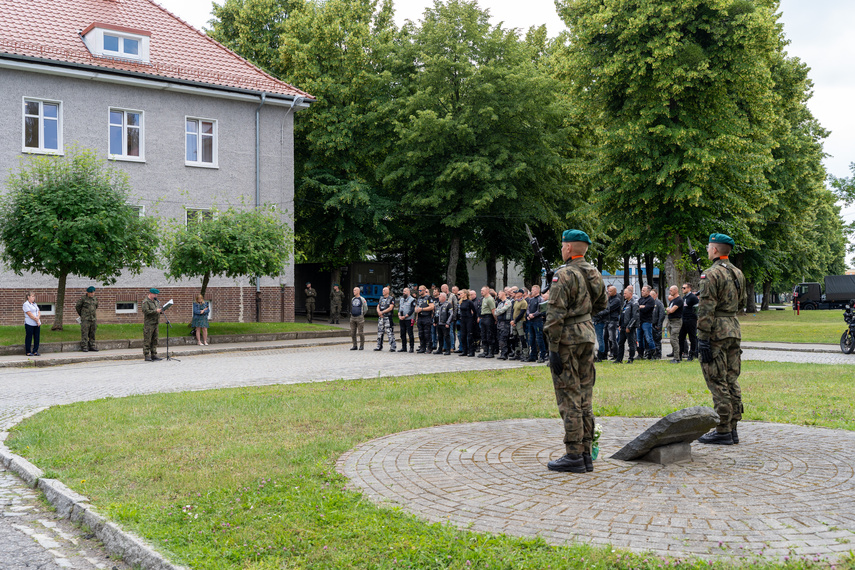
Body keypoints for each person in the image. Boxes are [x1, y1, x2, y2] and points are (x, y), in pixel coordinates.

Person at [544, 230, 607, 473]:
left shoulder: (564, 274)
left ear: (569, 248)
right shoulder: (593, 272)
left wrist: (552, 348)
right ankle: (586, 453)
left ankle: (573, 454)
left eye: (563, 246)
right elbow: (602, 304)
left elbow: (555, 314)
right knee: (585, 395)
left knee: (568, 395)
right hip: (587, 333)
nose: (562, 249)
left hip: (567, 339)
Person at [697, 233, 747, 445]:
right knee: (731, 379)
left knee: (717, 380)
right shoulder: (738, 273)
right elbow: (742, 302)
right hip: (733, 328)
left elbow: (706, 308)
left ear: (715, 250)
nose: (707, 250)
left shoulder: (711, 274)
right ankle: (733, 427)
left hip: (716, 331)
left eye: (709, 247)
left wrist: (702, 338)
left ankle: (723, 429)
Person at [614, 286, 639, 364]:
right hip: (623, 327)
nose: (624, 295)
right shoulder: (625, 303)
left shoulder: (634, 303)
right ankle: (619, 359)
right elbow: (622, 314)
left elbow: (635, 316)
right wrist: (620, 325)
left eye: (625, 293)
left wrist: (629, 326)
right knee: (620, 343)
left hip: (630, 327)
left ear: (630, 293)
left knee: (631, 343)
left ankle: (631, 358)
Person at [526, 285, 547, 363]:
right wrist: (528, 315)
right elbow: (528, 309)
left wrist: (533, 315)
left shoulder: (540, 299)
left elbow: (541, 310)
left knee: (539, 338)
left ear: (537, 291)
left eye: (533, 290)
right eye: (531, 289)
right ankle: (533, 355)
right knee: (531, 339)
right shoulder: (531, 300)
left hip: (537, 321)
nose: (532, 291)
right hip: (531, 321)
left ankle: (542, 355)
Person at [75, 286, 99, 352]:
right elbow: (78, 307)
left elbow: (96, 306)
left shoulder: (95, 299)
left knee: (92, 332)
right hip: (85, 319)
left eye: (93, 292)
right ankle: (84, 346)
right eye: (91, 293)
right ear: (87, 292)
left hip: (93, 318)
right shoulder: (83, 299)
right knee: (85, 332)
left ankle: (92, 345)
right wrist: (82, 315)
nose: (92, 294)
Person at [141, 288, 162, 361]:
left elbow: (157, 309)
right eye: (155, 294)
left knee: (155, 339)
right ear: (150, 293)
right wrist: (156, 311)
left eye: (156, 294)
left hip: (155, 323)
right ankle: (147, 355)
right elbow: (146, 311)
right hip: (149, 324)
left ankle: (154, 354)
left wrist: (161, 310)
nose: (156, 296)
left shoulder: (155, 301)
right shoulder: (146, 301)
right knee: (148, 339)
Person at [680, 283, 699, 361]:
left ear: (689, 288)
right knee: (681, 337)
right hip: (684, 319)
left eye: (684, 288)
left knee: (692, 337)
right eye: (682, 288)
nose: (682, 289)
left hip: (691, 320)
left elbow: (697, 308)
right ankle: (680, 353)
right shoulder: (684, 297)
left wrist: (694, 317)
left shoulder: (693, 297)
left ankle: (692, 354)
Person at [375, 286, 397, 352]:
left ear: (387, 291)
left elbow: (390, 308)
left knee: (389, 332)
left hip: (387, 317)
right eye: (383, 290)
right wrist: (379, 312)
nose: (383, 291)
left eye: (384, 290)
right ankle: (379, 346)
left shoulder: (391, 299)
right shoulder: (381, 298)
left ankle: (393, 346)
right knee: (380, 332)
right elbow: (378, 306)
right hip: (381, 317)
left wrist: (383, 312)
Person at [666, 285, 684, 363]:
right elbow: (668, 310)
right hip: (670, 321)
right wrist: (668, 310)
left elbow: (671, 310)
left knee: (674, 339)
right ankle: (675, 356)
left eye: (671, 290)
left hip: (676, 322)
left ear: (676, 290)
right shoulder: (673, 300)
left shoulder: (679, 300)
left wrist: (668, 309)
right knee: (673, 340)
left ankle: (677, 358)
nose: (670, 292)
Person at [636, 285, 656, 359]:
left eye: (643, 290)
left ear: (648, 292)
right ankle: (640, 354)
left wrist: (642, 307)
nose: (642, 292)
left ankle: (652, 353)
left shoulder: (650, 300)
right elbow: (636, 307)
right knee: (639, 339)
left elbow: (646, 309)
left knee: (648, 338)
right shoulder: (640, 299)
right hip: (639, 321)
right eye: (641, 290)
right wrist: (641, 306)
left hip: (647, 321)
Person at [414, 286, 435, 353]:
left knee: (427, 333)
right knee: (421, 333)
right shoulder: (419, 298)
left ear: (424, 290)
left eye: (420, 290)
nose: (419, 292)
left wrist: (422, 309)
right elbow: (416, 306)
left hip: (426, 317)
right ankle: (422, 347)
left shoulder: (428, 297)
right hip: (420, 317)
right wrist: (416, 314)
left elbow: (432, 307)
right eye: (419, 290)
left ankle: (429, 347)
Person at [510, 288, 529, 361]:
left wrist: (515, 321)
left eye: (517, 293)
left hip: (520, 321)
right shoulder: (516, 301)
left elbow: (521, 313)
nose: (515, 294)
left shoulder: (523, 302)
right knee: (515, 338)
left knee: (522, 337)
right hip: (515, 321)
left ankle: (525, 354)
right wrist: (512, 320)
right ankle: (517, 353)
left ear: (521, 294)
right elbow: (513, 311)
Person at [477, 286, 496, 358]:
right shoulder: (483, 299)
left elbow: (493, 310)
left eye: (483, 291)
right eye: (481, 290)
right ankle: (485, 351)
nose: (481, 292)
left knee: (489, 335)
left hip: (489, 317)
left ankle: (491, 352)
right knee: (483, 335)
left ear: (487, 291)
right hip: (483, 317)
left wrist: (495, 319)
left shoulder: (490, 299)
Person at [494, 290, 513, 359]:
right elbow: (495, 312)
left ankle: (504, 354)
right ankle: (504, 352)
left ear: (503, 294)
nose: (498, 295)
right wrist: (499, 311)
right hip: (500, 322)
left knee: (503, 338)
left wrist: (498, 311)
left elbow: (503, 310)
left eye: (499, 294)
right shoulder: (500, 303)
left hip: (506, 323)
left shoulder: (508, 302)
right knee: (500, 338)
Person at [459, 289, 477, 357]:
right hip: (463, 319)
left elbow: (474, 311)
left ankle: (471, 351)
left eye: (462, 293)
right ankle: (464, 350)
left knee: (469, 336)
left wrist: (473, 318)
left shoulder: (469, 302)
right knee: (463, 335)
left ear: (465, 294)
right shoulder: (461, 302)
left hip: (468, 319)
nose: (461, 295)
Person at [397, 287, 416, 353]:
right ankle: (403, 347)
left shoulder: (412, 299)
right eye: (403, 291)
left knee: (410, 333)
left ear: (408, 292)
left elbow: (412, 309)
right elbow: (399, 308)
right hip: (402, 319)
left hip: (408, 319)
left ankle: (411, 347)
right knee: (402, 333)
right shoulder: (401, 299)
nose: (403, 292)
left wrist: (405, 316)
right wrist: (399, 315)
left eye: (405, 291)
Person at [23, 291, 41, 357]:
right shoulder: (26, 304)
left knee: (37, 337)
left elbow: (38, 311)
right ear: (28, 297)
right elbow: (29, 314)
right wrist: (37, 320)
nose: (34, 298)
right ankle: (28, 352)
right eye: (32, 296)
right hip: (29, 323)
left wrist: (38, 318)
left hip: (37, 323)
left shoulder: (34, 304)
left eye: (34, 296)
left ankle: (35, 351)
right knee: (29, 337)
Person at [606, 285, 621, 360]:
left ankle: (615, 353)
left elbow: (608, 308)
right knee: (606, 337)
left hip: (613, 320)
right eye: (608, 291)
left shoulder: (617, 300)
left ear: (615, 292)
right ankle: (607, 353)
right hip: (608, 320)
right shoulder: (610, 299)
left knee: (612, 338)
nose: (608, 292)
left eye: (610, 291)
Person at [651, 290, 666, 359]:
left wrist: (659, 325)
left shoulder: (659, 303)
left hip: (656, 324)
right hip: (651, 324)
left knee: (657, 340)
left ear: (655, 295)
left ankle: (658, 354)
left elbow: (662, 314)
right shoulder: (650, 303)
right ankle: (652, 353)